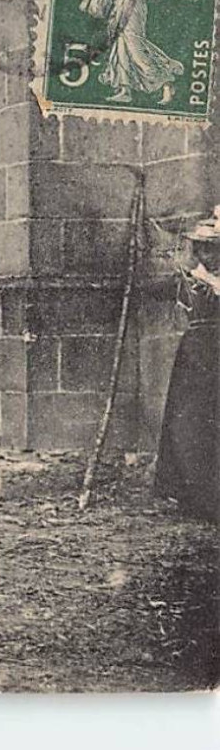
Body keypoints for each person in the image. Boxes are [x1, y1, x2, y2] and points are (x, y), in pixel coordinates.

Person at [155, 207, 220, 522]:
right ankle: (190, 494)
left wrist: (201, 274)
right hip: (196, 351)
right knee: (187, 422)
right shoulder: (196, 274)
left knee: (210, 421)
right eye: (203, 245)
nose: (205, 251)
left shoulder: (206, 274)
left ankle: (211, 498)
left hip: (215, 349)